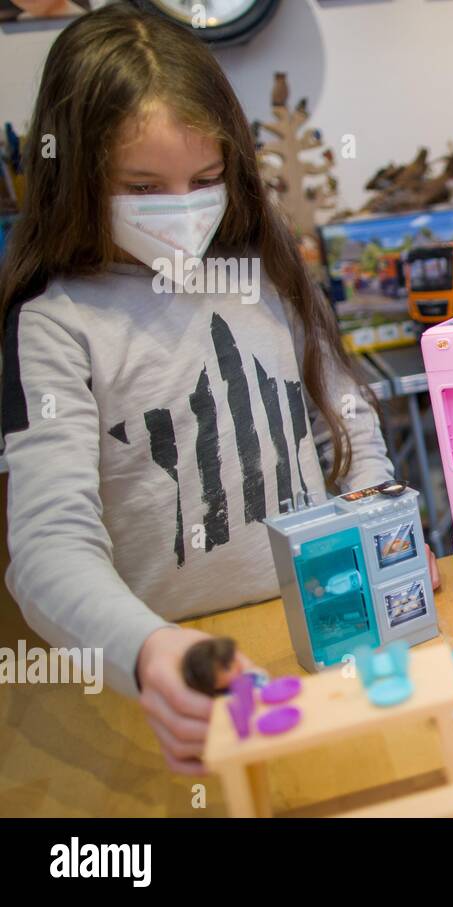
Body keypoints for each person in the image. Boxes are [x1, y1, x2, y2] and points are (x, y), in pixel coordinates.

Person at [0, 4, 430, 774]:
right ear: (76, 177)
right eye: (143, 186)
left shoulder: (265, 272)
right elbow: (47, 550)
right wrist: (148, 651)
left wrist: (384, 532)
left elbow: (353, 432)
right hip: (170, 685)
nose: (183, 208)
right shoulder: (56, 324)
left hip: (320, 648)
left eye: (204, 180)